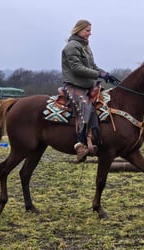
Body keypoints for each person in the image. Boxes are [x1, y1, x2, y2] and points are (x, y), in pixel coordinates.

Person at [61, 19, 115, 162]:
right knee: (86, 107)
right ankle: (80, 144)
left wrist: (106, 74)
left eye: (90, 30)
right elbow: (76, 68)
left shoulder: (85, 47)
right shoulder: (72, 47)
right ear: (78, 30)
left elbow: (93, 67)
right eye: (87, 30)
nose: (90, 34)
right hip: (74, 85)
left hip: (87, 85)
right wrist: (98, 75)